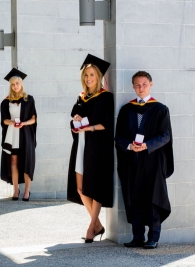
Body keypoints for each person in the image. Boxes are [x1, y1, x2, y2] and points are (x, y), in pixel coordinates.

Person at [115, 71, 174, 249]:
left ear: (151, 84)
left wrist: (147, 145)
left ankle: (153, 238)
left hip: (153, 162)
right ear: (133, 87)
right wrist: (129, 146)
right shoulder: (126, 110)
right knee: (135, 199)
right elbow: (119, 137)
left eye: (144, 84)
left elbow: (165, 135)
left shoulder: (160, 109)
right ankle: (137, 237)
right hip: (132, 162)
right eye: (137, 85)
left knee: (153, 199)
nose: (141, 88)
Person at [67, 54, 114, 243]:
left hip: (97, 147)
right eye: (86, 75)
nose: (88, 78)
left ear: (99, 76)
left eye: (92, 75)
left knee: (95, 188)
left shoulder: (106, 98)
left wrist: (90, 127)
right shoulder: (81, 98)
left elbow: (107, 124)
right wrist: (76, 120)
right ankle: (98, 226)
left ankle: (91, 226)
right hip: (81, 144)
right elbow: (73, 118)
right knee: (80, 189)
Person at [0, 68, 37, 201]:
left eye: (17, 83)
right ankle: (16, 190)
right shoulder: (6, 101)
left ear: (21, 83)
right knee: (13, 161)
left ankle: (27, 190)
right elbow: (4, 119)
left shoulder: (29, 99)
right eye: (12, 84)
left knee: (27, 161)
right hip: (12, 135)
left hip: (25, 134)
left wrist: (24, 123)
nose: (15, 86)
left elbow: (34, 118)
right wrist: (12, 122)